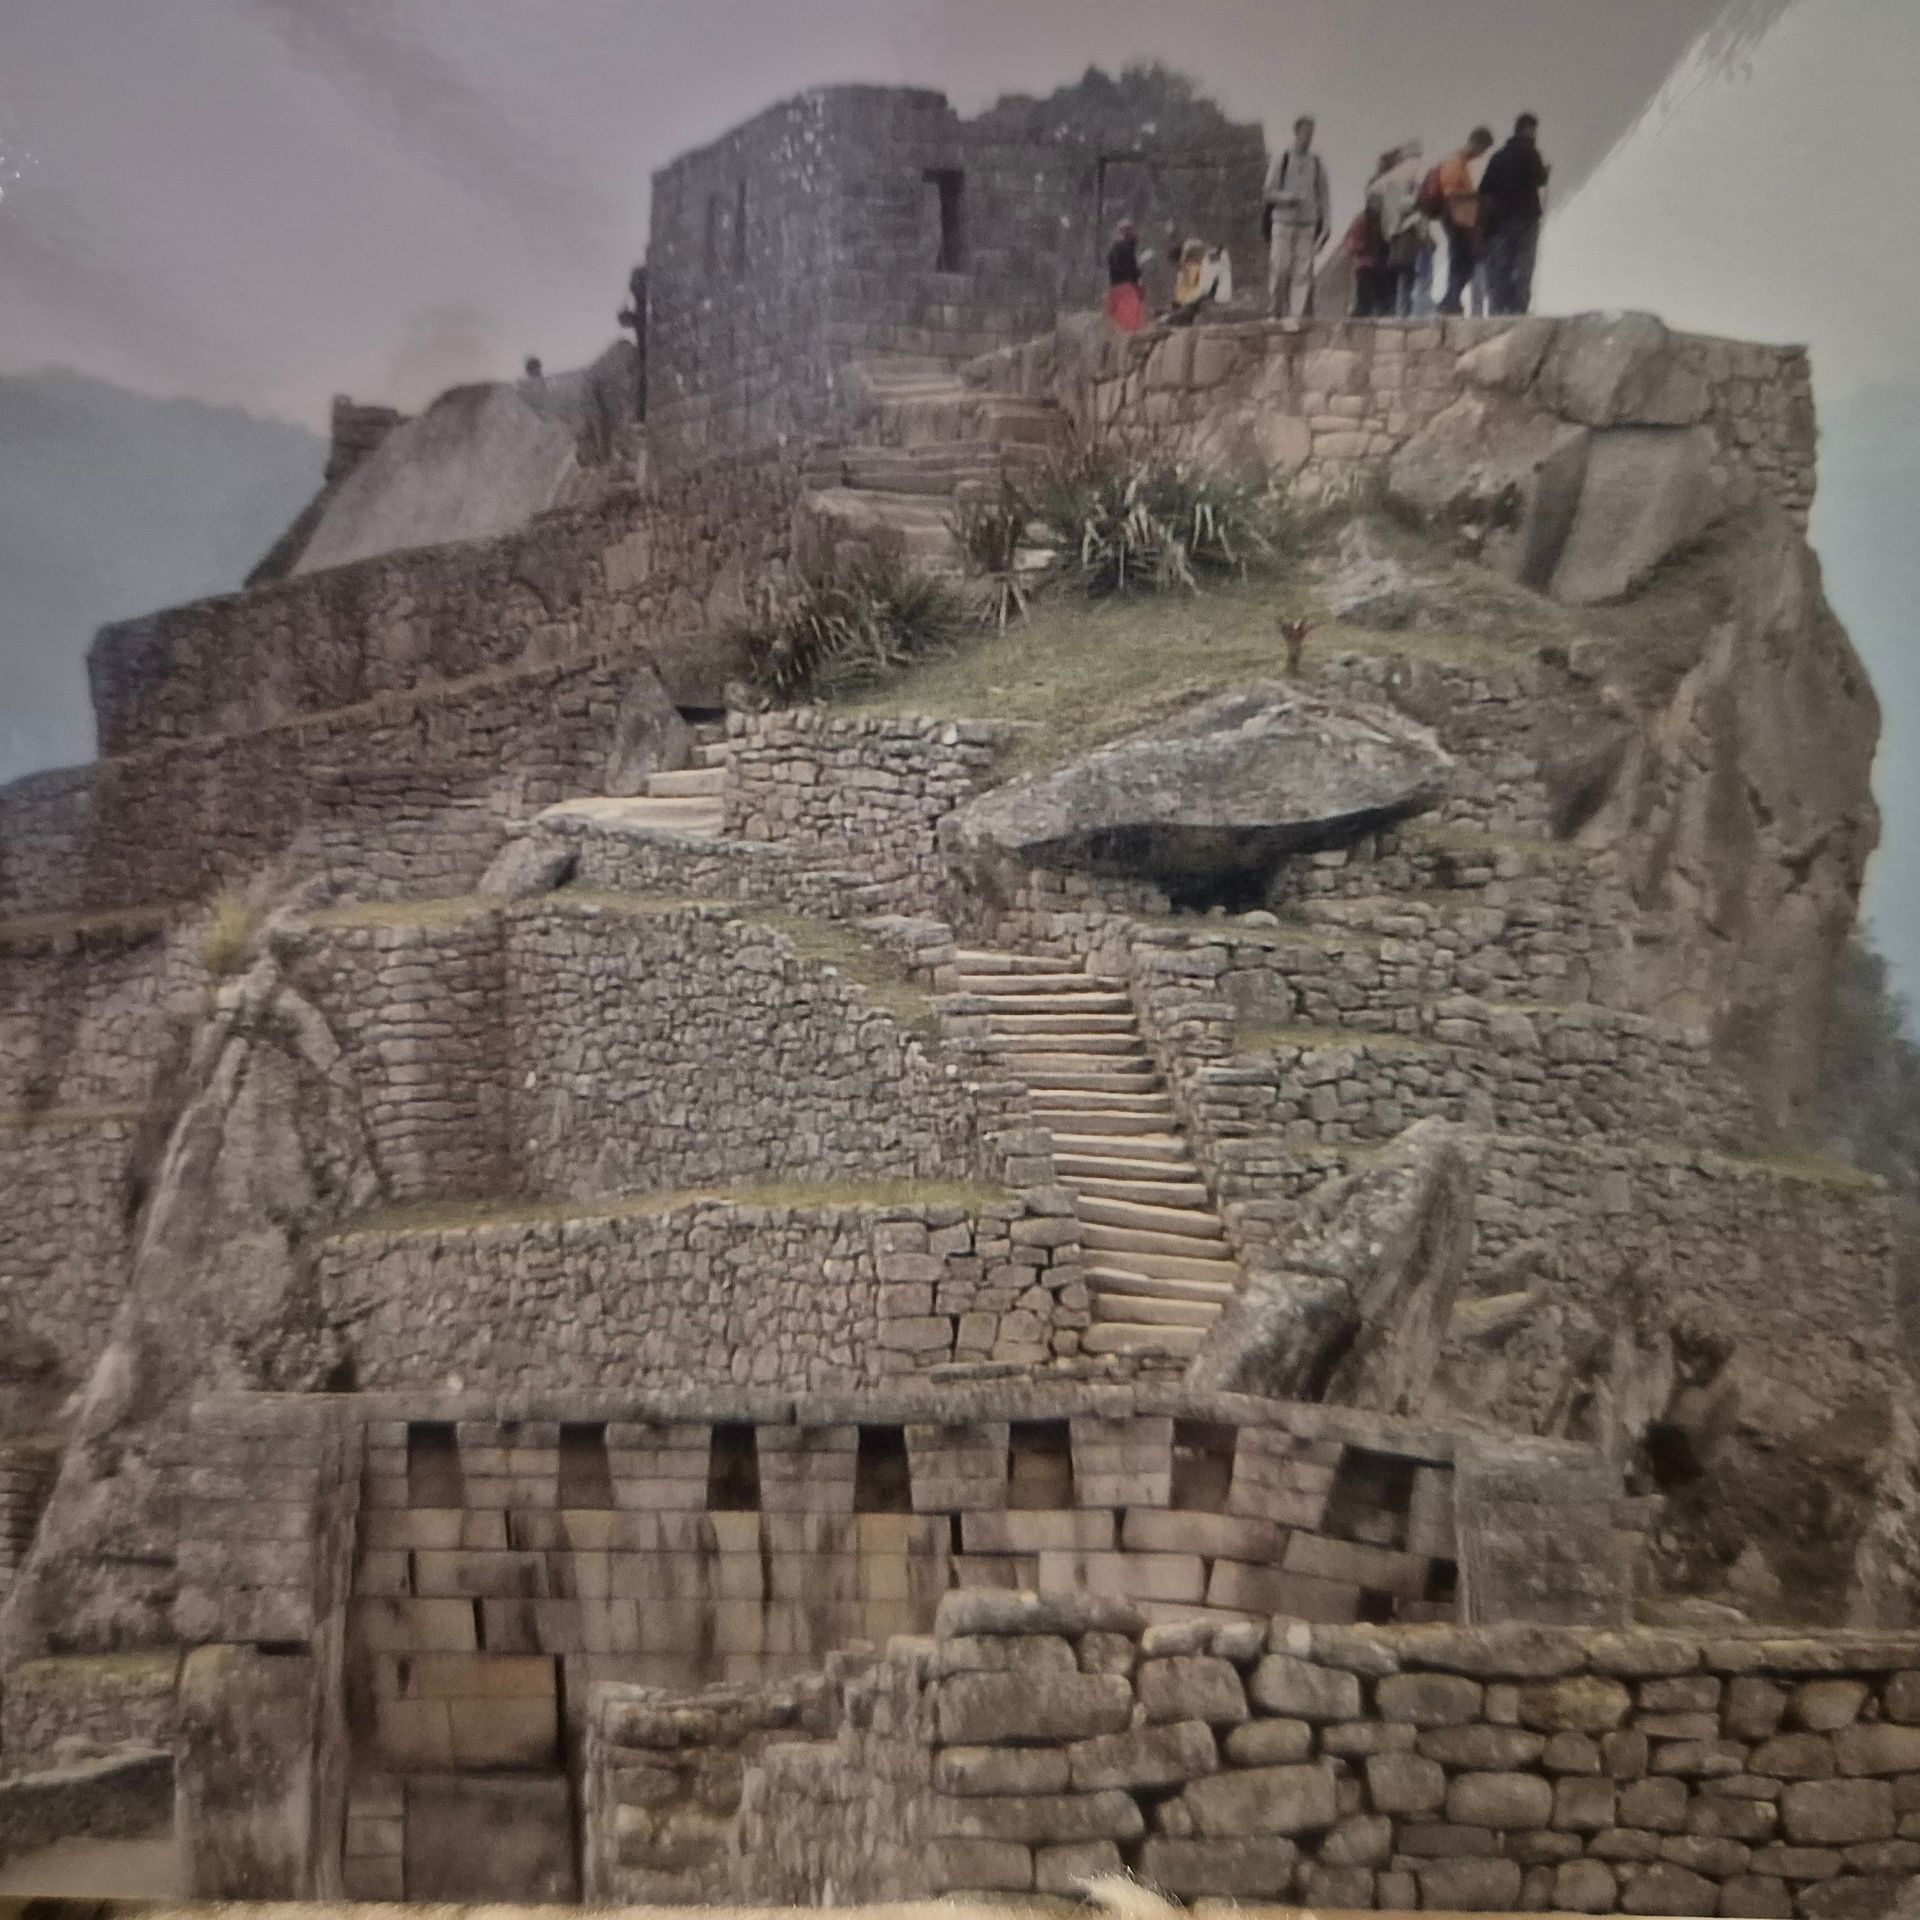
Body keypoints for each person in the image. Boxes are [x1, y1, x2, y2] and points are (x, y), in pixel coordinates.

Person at [1480, 112, 1550, 315]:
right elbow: (1540, 179)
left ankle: (1501, 306)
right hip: (1526, 217)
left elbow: (1484, 189)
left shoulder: (1498, 157)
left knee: (1504, 264)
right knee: (1524, 262)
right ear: (1528, 130)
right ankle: (1519, 308)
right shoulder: (1530, 153)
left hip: (1501, 220)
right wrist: (1545, 172)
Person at [1264, 114, 1330, 318]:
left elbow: (1323, 197)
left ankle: (1297, 316)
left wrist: (1326, 224)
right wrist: (1288, 197)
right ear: (1296, 132)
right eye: (1305, 133)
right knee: (1281, 268)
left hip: (1307, 224)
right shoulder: (1282, 160)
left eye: (1311, 134)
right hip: (1283, 222)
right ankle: (1275, 312)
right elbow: (1267, 193)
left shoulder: (1317, 164)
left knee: (1302, 273)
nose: (1308, 138)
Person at [1435, 127, 1495, 315]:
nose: (1481, 154)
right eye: (1482, 149)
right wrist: (1475, 197)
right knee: (1462, 261)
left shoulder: (1460, 162)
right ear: (1476, 143)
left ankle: (1450, 301)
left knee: (1461, 262)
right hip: (1456, 217)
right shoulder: (1455, 162)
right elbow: (1450, 192)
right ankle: (1449, 302)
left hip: (1457, 217)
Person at [1371, 140, 1428, 317]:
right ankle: (1404, 310)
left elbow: (1373, 192)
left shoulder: (1393, 172)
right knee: (1409, 269)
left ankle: (1397, 308)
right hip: (1411, 224)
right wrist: (1409, 205)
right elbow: (1420, 196)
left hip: (1392, 228)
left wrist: (1389, 210)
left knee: (1398, 268)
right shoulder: (1419, 167)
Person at [1104, 219, 1150, 332]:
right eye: (1126, 230)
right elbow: (1126, 268)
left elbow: (1117, 267)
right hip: (1126, 288)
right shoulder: (1124, 247)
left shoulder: (1116, 248)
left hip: (1117, 287)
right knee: (1132, 321)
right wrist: (1135, 278)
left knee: (1120, 320)